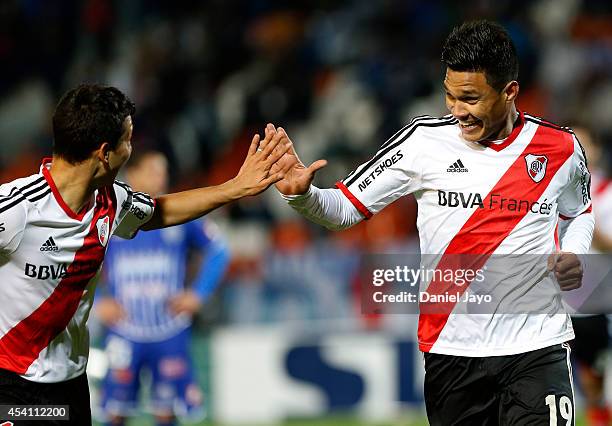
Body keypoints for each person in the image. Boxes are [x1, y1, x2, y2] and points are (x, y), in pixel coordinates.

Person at [270, 20, 594, 425]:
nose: (457, 111)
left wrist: (575, 252)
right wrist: (302, 196)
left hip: (537, 346)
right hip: (451, 351)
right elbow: (345, 209)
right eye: (450, 95)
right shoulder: (423, 143)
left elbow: (578, 211)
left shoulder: (560, 148)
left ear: (509, 91)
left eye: (471, 98)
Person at [0, 84, 290, 425]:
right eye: (128, 140)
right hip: (12, 382)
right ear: (105, 152)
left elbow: (160, 211)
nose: (130, 150)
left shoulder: (111, 202)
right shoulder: (17, 210)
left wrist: (233, 188)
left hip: (69, 384)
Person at [95, 151, 230, 426]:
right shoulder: (110, 214)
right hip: (125, 330)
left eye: (163, 171)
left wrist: (198, 293)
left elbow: (219, 249)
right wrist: (98, 300)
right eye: (154, 171)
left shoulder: (177, 212)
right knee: (115, 411)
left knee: (167, 411)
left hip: (169, 329)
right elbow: (77, 260)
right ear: (133, 175)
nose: (161, 177)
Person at [569, 126, 612, 426]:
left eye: (585, 144)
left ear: (596, 149)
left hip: (598, 300)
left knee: (596, 375)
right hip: (558, 299)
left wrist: (587, 225)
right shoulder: (552, 190)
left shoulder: (607, 193)